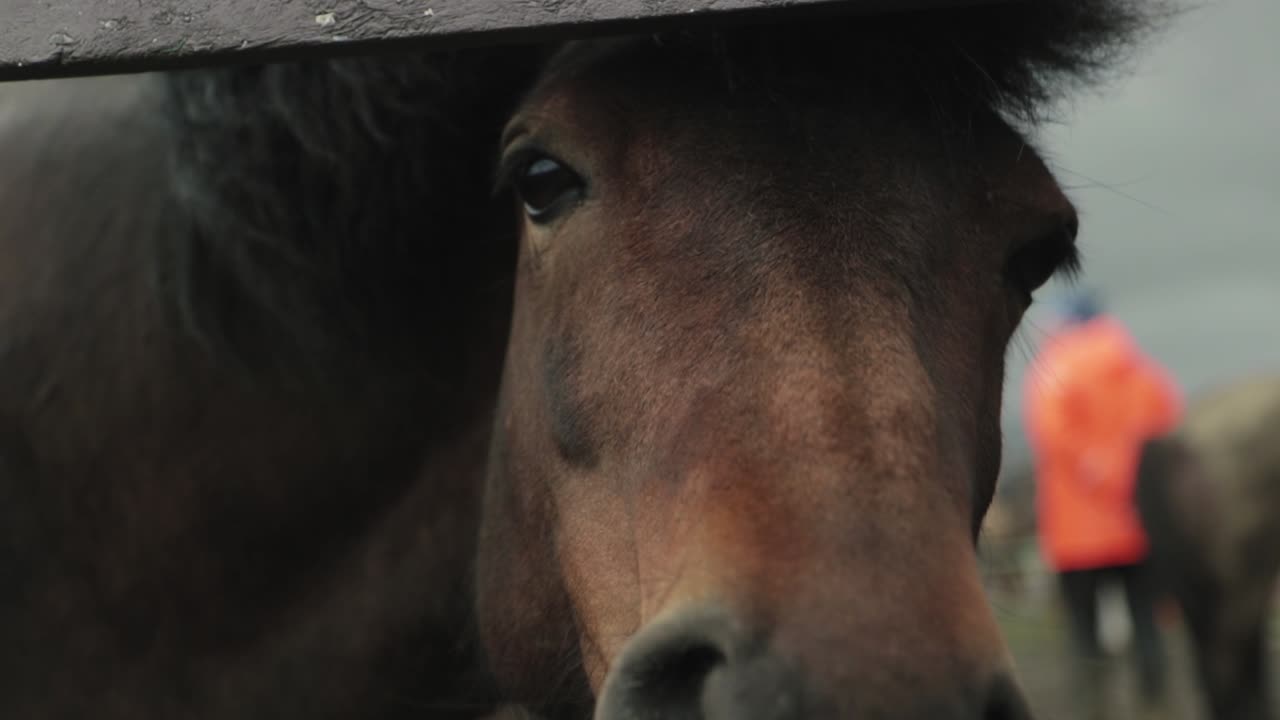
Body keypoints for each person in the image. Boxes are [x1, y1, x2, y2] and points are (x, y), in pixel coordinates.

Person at [1023, 292, 1183, 719]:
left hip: (1077, 534)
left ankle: (1094, 711)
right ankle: (1158, 707)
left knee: (1083, 632)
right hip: (1138, 525)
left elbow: (1054, 438)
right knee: (1147, 624)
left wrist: (1102, 476)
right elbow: (1168, 435)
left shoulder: (1054, 370)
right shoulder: (1144, 373)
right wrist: (1128, 486)